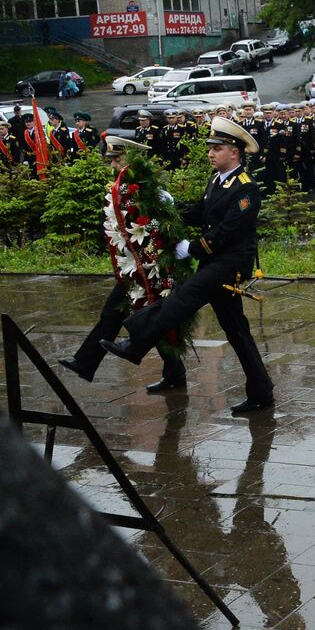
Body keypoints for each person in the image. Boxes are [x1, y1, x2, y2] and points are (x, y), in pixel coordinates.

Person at [101, 118, 275, 415]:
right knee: (236, 330)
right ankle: (261, 391)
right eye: (210, 148)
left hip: (230, 264)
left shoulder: (246, 189)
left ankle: (137, 342)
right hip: (215, 261)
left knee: (184, 297)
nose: (211, 153)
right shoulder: (217, 180)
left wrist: (191, 249)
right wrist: (170, 204)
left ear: (235, 152)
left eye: (217, 148)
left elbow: (227, 231)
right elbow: (199, 212)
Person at [58, 136, 188, 392]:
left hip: (152, 267)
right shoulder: (124, 189)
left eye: (118, 159)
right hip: (133, 266)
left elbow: (164, 226)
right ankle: (86, 362)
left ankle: (174, 373)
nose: (114, 166)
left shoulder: (151, 191)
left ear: (132, 159)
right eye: (111, 160)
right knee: (115, 313)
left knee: (151, 320)